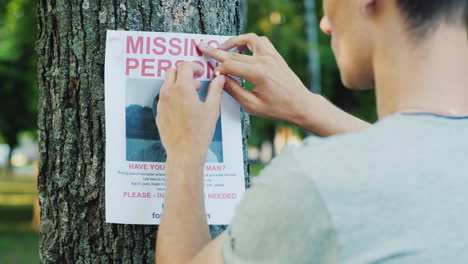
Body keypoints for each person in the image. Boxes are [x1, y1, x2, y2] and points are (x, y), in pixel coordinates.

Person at [154, 0, 468, 263]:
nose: (325, 24)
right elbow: (423, 159)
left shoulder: (317, 183)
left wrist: (185, 157)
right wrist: (306, 107)